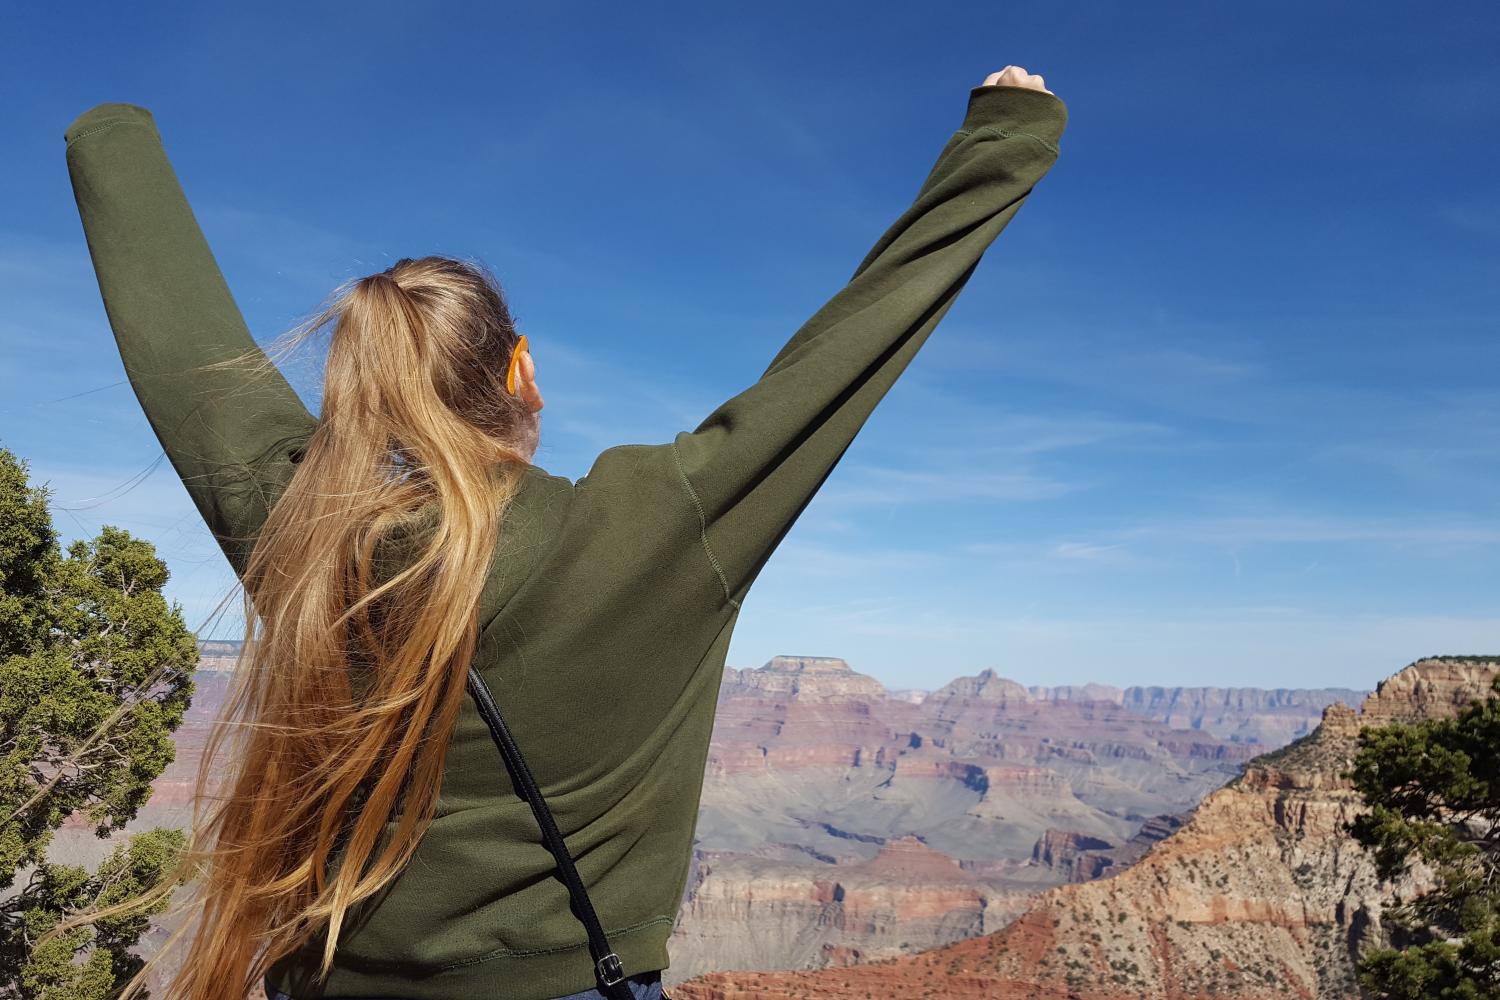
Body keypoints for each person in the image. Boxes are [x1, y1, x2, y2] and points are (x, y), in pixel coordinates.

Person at [46, 64, 1065, 1000]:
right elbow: (845, 354)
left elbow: (186, 358)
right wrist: (1002, 138)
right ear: (519, 370)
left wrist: (110, 138)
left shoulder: (307, 538)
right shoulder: (653, 525)